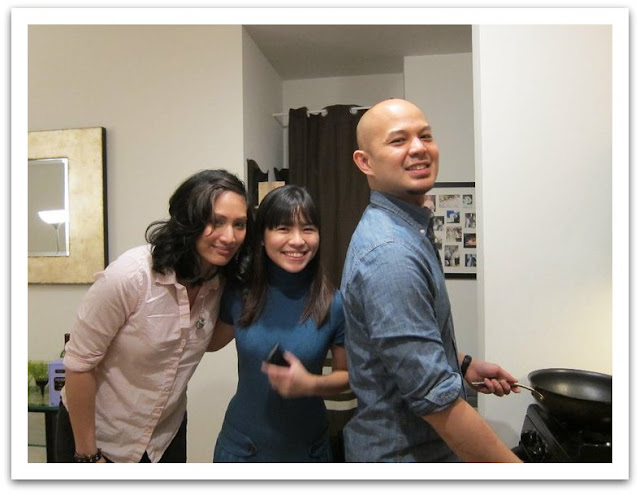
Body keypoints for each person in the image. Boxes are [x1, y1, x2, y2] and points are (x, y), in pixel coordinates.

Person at [341, 98, 522, 462]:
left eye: (425, 136)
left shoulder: (410, 229)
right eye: (398, 140)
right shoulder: (390, 252)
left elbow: (404, 345)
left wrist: (463, 364)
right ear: (365, 162)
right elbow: (435, 398)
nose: (419, 148)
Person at [55, 169, 252, 463]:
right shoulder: (130, 276)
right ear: (188, 220)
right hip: (98, 437)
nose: (229, 236)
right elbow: (78, 365)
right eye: (216, 221)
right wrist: (88, 456)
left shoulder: (220, 282)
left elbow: (207, 342)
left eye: (239, 224)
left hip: (163, 438)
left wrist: (252, 297)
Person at [208, 184, 348, 462]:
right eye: (283, 228)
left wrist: (310, 384)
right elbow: (208, 344)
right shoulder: (240, 294)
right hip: (242, 451)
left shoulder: (333, 303)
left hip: (308, 453)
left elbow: (348, 376)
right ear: (261, 237)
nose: (297, 240)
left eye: (308, 229)